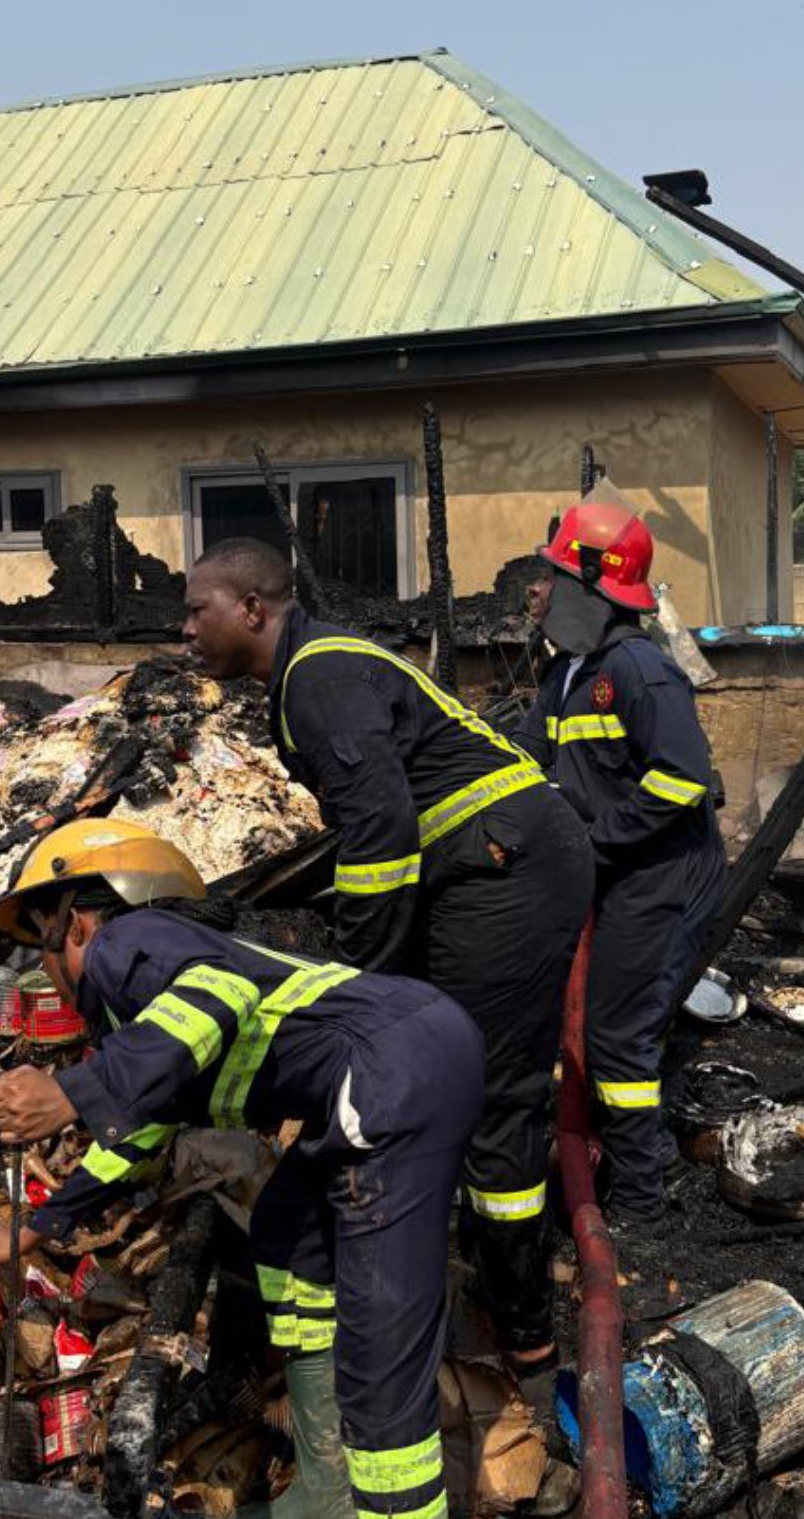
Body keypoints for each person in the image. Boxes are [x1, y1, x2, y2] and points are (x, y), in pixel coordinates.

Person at [0, 817, 481, 1519]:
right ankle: (326, 1486)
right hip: (401, 1059)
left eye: (41, 951)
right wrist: (44, 1224)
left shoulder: (137, 945)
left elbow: (204, 999)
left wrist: (71, 1092)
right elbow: (150, 1133)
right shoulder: (155, 997)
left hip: (395, 1072)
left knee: (384, 1376)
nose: (49, 977)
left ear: (74, 923)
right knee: (288, 1224)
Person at [181, 539, 593, 1393]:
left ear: (252, 609)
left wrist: (356, 985)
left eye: (197, 609)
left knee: (494, 1090)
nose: (184, 629)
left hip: (508, 868)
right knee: (447, 1064)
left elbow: (378, 838)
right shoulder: (308, 676)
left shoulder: (320, 679)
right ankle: (471, 1260)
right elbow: (365, 833)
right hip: (483, 865)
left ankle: (524, 1333)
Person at [513, 482, 726, 1222]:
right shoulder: (564, 675)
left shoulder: (639, 669)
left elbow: (683, 782)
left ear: (590, 586)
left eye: (550, 577)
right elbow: (525, 760)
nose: (536, 591)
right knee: (584, 1023)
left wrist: (592, 842)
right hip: (611, 871)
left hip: (661, 876)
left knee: (615, 1034)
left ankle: (640, 1196)